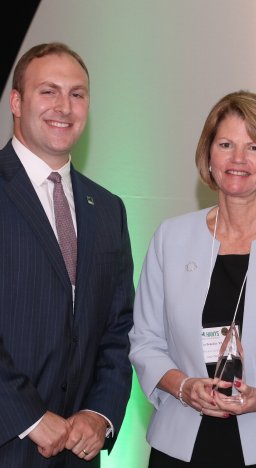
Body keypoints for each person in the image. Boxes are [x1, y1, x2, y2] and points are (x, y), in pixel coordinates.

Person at [129, 90, 256, 467]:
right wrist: (184, 388)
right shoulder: (171, 237)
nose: (238, 159)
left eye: (254, 147)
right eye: (226, 144)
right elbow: (145, 339)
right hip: (181, 444)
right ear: (209, 157)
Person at [0, 42, 134, 467]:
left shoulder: (108, 207)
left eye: (77, 94)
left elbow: (120, 328)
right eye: (49, 91)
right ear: (16, 102)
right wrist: (28, 415)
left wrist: (100, 414)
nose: (65, 106)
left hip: (79, 452)